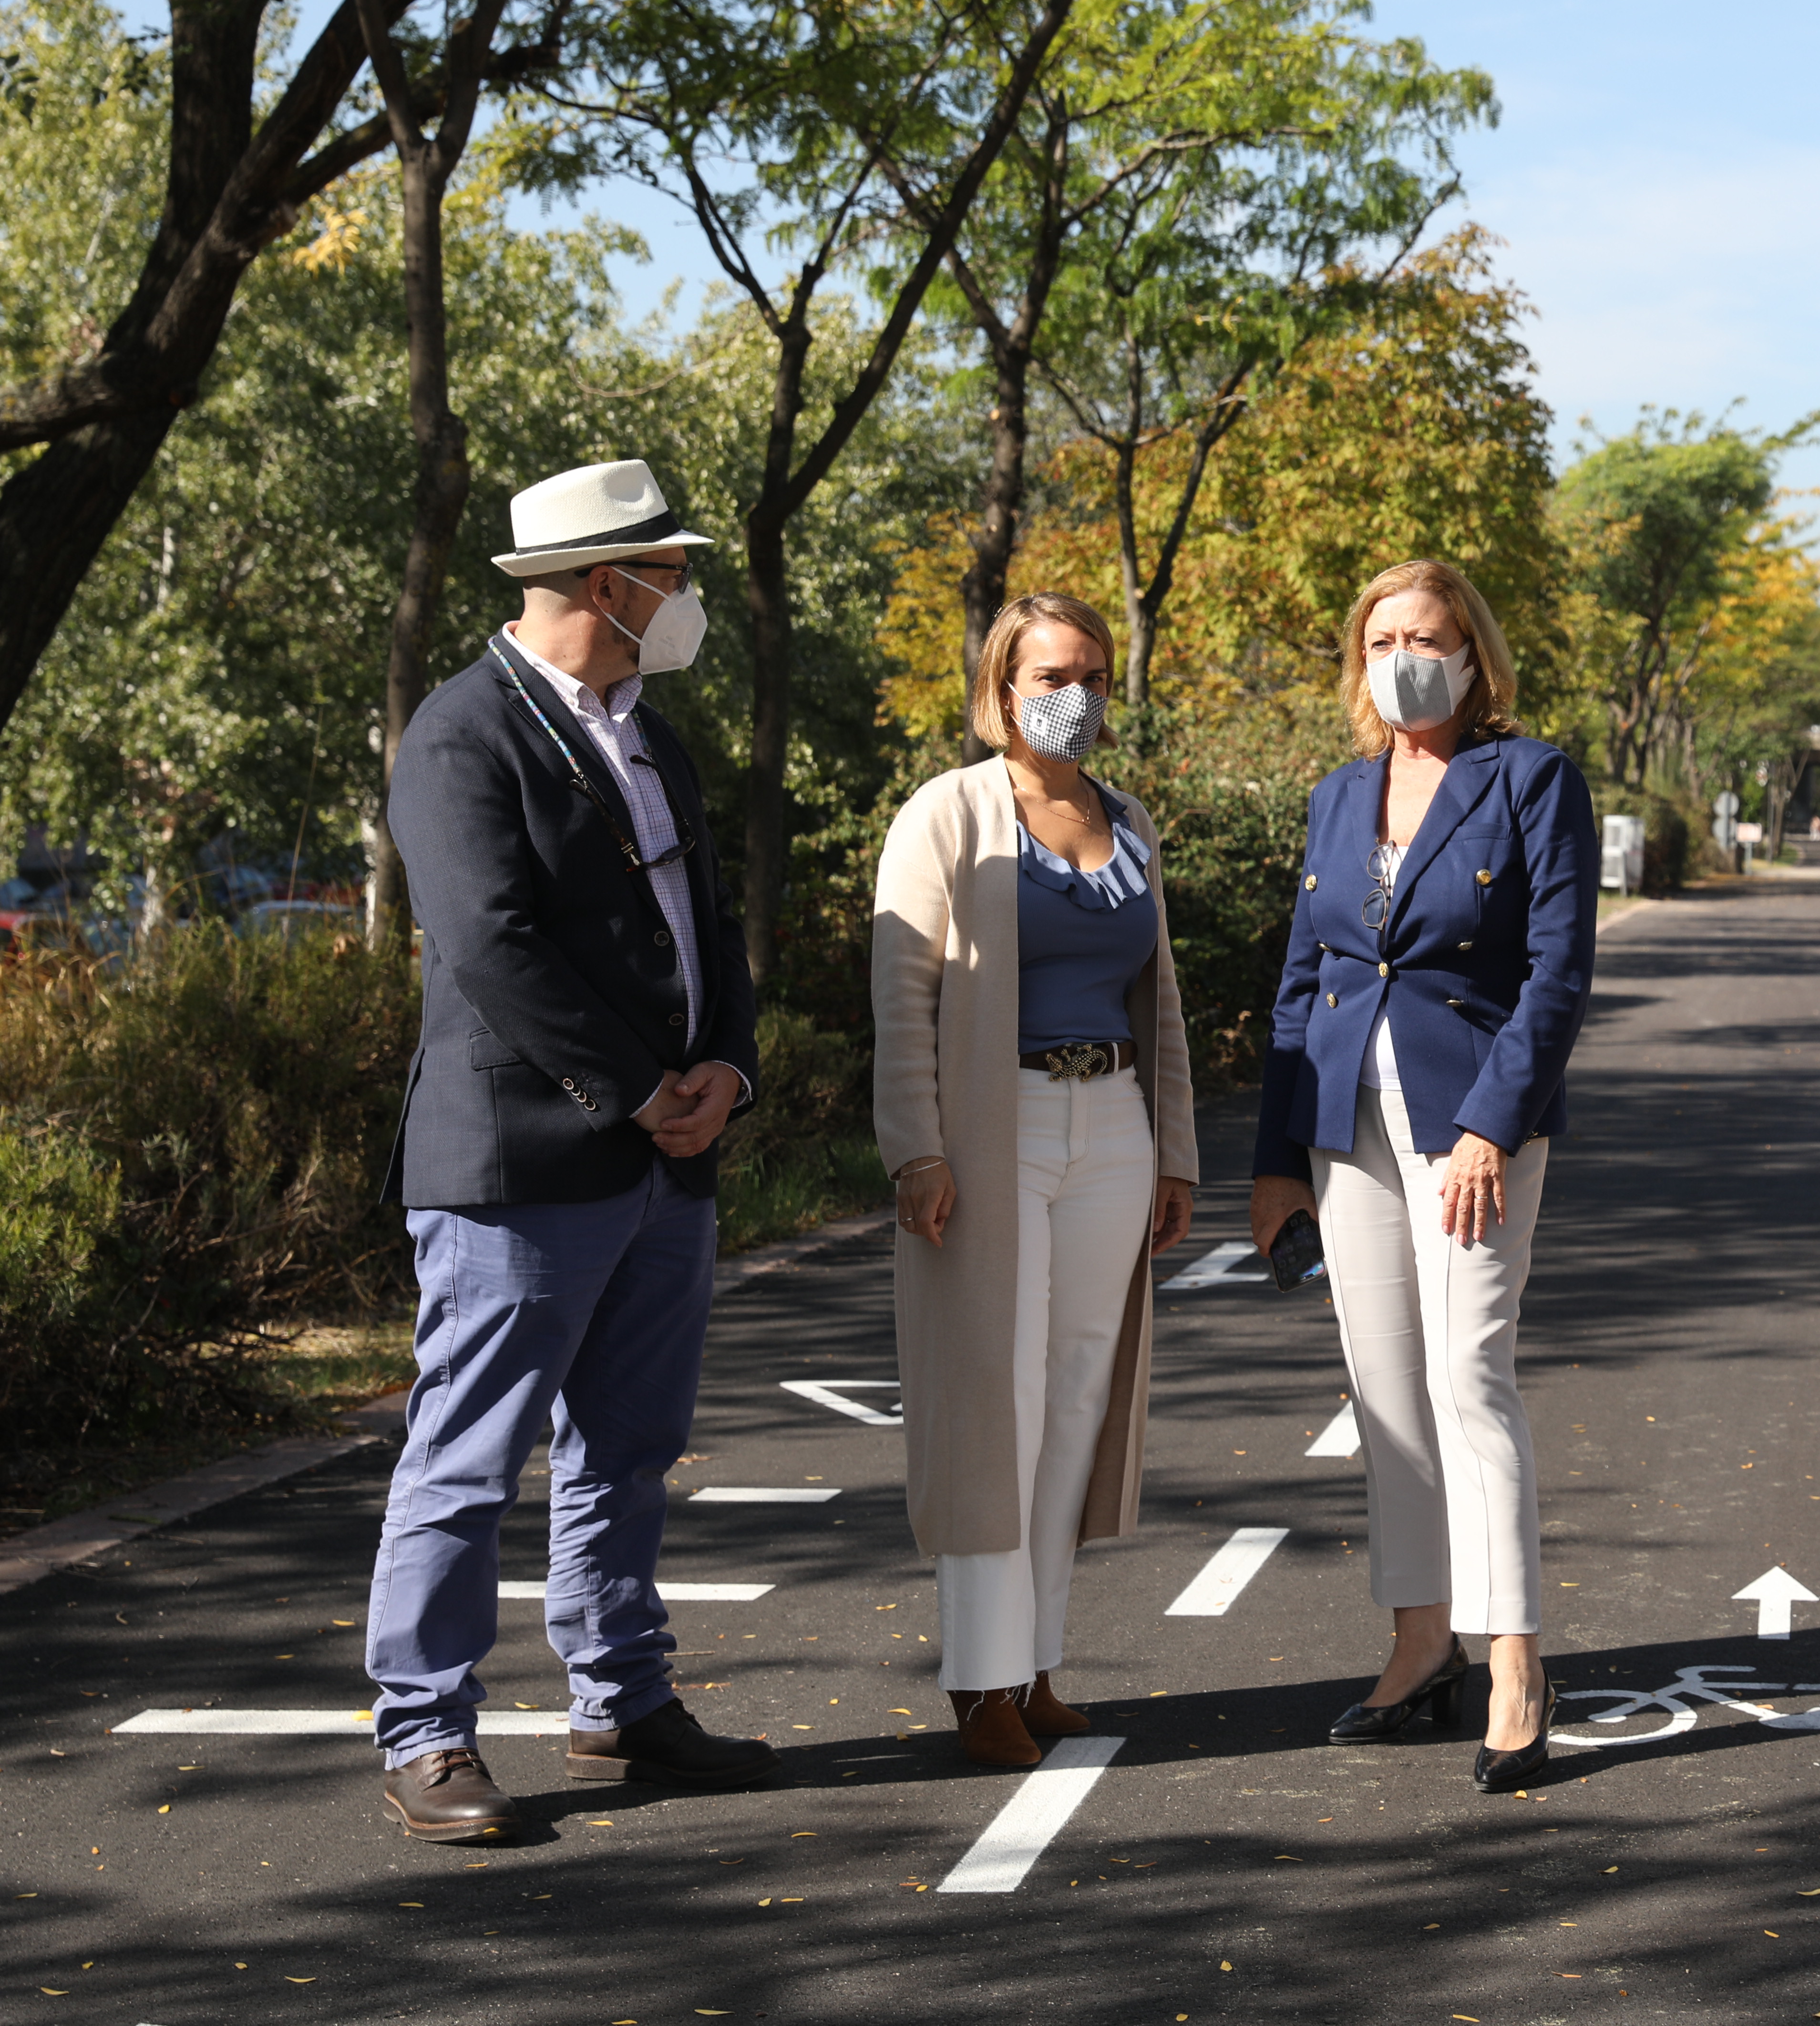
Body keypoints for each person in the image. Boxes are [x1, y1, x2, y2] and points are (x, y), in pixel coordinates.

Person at [367, 458, 775, 1845]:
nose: (688, 598)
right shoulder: (461, 733)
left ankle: (622, 1699)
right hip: (525, 1166)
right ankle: (426, 1733)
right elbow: (493, 947)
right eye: (674, 573)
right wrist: (640, 1087)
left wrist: (727, 1069)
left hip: (667, 1158)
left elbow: (711, 927)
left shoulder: (654, 735)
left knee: (631, 1445)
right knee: (467, 1457)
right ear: (611, 584)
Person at [1247, 558, 1598, 1794]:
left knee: (1468, 1379)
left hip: (1471, 1121)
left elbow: (1557, 971)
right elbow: (1301, 983)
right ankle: (1419, 1644)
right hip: (1344, 1118)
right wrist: (1276, 1159)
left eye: (1427, 637)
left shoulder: (1532, 778)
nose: (1405, 658)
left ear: (1472, 654)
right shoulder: (1339, 795)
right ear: (1361, 660)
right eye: (1383, 639)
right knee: (1387, 1389)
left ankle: (1514, 1666)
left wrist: (1494, 1125)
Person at [871, 592, 1199, 1767]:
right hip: (991, 1125)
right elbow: (902, 994)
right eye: (1054, 675)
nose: (1078, 696)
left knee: (1073, 1401)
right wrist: (916, 1147)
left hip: (1112, 1118)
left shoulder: (1129, 819)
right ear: (1003, 690)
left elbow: (1160, 997)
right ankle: (979, 1678)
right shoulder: (948, 812)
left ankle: (1037, 1662)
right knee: (992, 1405)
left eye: (1095, 676)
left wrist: (1173, 1150)